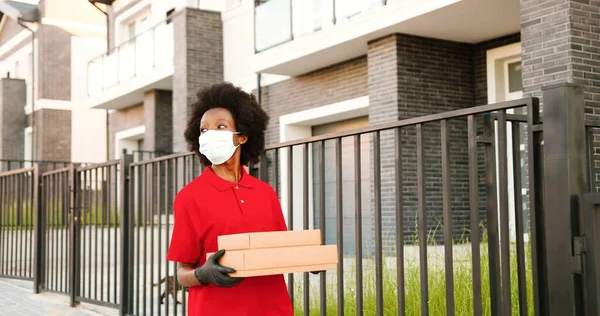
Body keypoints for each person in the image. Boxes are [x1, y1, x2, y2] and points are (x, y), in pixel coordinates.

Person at [166, 82, 294, 315]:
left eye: (220, 126)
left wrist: (309, 259)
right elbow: (182, 273)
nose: (209, 134)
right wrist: (202, 273)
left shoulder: (266, 193)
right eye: (204, 130)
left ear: (242, 137)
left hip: (272, 308)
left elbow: (280, 253)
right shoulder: (189, 197)